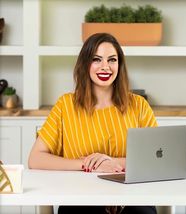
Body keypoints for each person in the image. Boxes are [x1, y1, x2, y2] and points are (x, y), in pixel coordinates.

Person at [28, 33, 158, 214]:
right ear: (85, 64)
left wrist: (114, 163)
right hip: (79, 199)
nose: (105, 67)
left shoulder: (139, 105)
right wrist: (87, 164)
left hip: (132, 199)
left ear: (119, 65)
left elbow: (158, 159)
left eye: (112, 60)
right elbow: (35, 159)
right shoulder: (65, 105)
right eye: (96, 60)